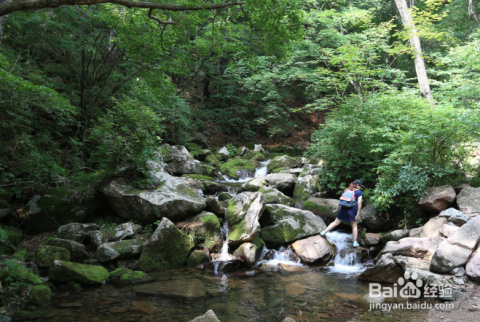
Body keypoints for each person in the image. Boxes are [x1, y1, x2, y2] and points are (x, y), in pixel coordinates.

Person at [320, 179, 364, 247]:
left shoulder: (346, 190)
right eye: (360, 186)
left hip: (343, 209)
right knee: (354, 226)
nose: (360, 187)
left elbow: (341, 200)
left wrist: (338, 209)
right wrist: (358, 213)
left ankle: (323, 232)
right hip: (352, 210)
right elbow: (359, 202)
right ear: (358, 185)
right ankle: (355, 242)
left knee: (335, 222)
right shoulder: (359, 192)